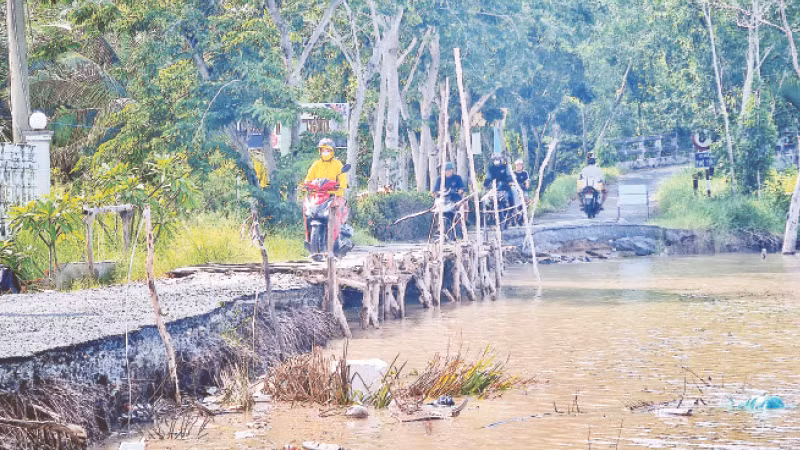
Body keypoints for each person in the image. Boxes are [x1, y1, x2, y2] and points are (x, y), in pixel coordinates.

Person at [433, 162, 466, 239]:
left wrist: (459, 191)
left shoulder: (457, 178)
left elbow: (462, 188)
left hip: (455, 199)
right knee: (437, 210)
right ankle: (438, 227)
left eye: (449, 170)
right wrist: (437, 193)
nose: (447, 172)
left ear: (452, 170)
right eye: (445, 170)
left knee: (458, 214)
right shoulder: (439, 179)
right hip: (443, 200)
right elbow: (434, 192)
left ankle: (460, 233)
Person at [512, 159, 530, 225]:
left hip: (523, 189)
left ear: (522, 166)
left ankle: (523, 216)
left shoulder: (525, 173)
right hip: (515, 189)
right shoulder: (513, 173)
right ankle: (513, 217)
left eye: (520, 165)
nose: (519, 166)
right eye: (517, 165)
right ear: (515, 166)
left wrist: (527, 184)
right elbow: (510, 181)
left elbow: (527, 181)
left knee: (527, 201)